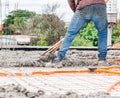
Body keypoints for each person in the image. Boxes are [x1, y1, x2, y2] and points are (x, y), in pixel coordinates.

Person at [53, 0, 109, 65]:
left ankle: (59, 56)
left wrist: (77, 12)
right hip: (100, 5)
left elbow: (70, 1)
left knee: (71, 33)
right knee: (102, 33)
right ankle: (102, 59)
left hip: (84, 6)